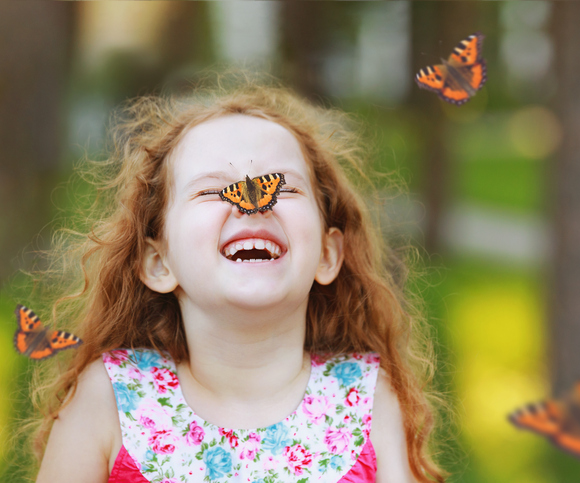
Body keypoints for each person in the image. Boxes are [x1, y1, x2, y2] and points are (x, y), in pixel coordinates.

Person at [30, 74, 444, 483]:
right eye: (212, 192)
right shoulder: (112, 398)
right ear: (158, 262)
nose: (251, 205)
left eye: (279, 187)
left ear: (327, 253)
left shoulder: (367, 399)